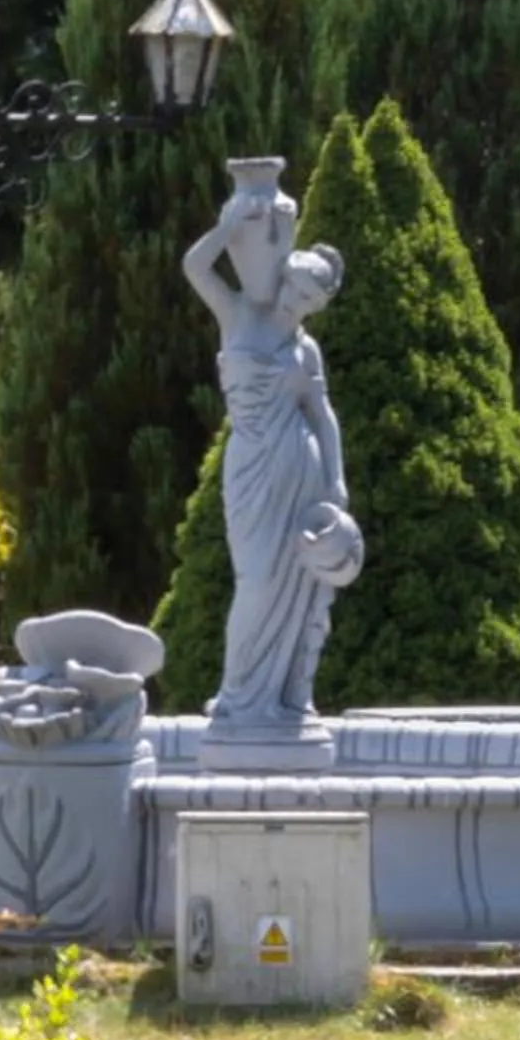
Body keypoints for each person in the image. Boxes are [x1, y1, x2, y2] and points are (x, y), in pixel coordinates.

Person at [182, 173, 362, 728]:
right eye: (295, 285)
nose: (297, 299)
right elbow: (194, 267)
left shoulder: (306, 351)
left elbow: (322, 415)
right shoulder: (237, 315)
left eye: (310, 296)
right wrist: (228, 227)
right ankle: (238, 697)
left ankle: (289, 697)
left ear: (319, 304)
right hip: (251, 467)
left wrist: (336, 481)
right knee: (257, 580)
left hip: (299, 466)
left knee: (304, 587)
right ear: (284, 277)